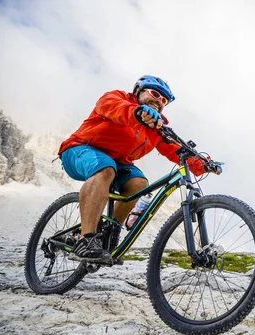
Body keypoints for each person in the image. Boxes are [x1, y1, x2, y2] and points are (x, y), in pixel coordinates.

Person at [58, 75, 221, 262]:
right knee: (106, 169)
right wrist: (137, 112)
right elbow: (113, 107)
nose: (159, 101)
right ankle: (86, 240)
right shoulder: (118, 98)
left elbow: (176, 149)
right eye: (154, 93)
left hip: (118, 162)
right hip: (80, 149)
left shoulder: (156, 128)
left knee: (139, 184)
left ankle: (109, 234)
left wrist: (203, 163)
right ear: (138, 91)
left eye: (164, 100)